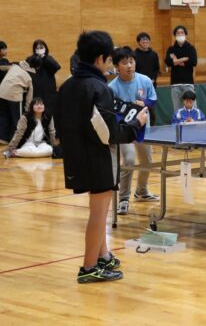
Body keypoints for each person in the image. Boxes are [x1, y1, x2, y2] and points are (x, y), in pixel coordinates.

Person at [55, 30, 148, 283]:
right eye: (107, 59)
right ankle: (89, 267)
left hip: (75, 156)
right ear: (99, 59)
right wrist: (137, 124)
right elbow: (109, 134)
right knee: (99, 215)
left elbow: (59, 123)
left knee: (97, 209)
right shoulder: (98, 88)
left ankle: (103, 255)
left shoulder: (67, 86)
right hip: (96, 159)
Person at [109, 47, 158, 215]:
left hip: (142, 128)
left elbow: (153, 100)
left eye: (131, 61)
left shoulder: (145, 80)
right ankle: (123, 199)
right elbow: (112, 113)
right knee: (129, 160)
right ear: (117, 66)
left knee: (147, 161)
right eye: (124, 63)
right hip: (124, 131)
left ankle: (142, 191)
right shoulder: (112, 88)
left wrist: (144, 103)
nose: (129, 65)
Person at [0, 55, 41, 143]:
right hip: (14, 96)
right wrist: (27, 109)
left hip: (1, 93)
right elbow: (29, 95)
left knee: (3, 116)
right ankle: (16, 140)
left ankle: (2, 138)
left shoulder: (15, 65)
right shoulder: (31, 76)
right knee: (18, 119)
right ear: (37, 67)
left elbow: (3, 67)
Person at [165, 25, 198, 111]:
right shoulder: (171, 49)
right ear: (175, 35)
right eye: (178, 33)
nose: (180, 34)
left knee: (192, 108)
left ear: (185, 34)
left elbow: (193, 62)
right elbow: (168, 62)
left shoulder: (191, 48)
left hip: (188, 83)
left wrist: (176, 61)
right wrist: (184, 59)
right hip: (175, 84)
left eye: (182, 32)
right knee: (177, 110)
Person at [30, 39, 61, 115]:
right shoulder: (31, 58)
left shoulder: (49, 58)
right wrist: (37, 58)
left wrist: (44, 57)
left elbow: (56, 67)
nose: (39, 49)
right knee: (36, 110)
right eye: (37, 48)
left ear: (45, 48)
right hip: (36, 89)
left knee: (49, 111)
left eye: (41, 47)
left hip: (48, 90)